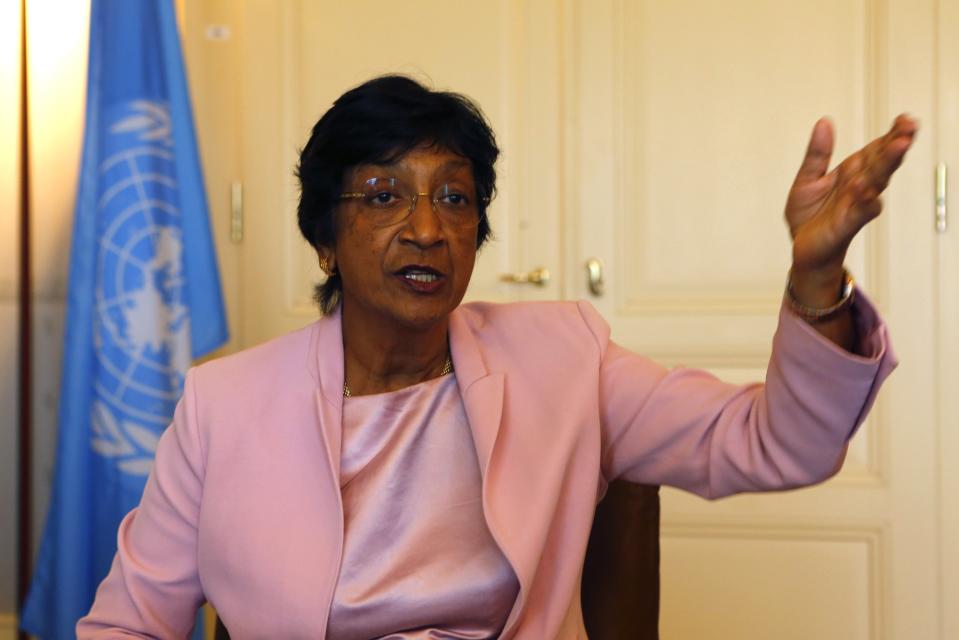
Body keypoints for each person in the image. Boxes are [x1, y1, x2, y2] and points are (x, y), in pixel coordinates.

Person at [78, 75, 916, 639]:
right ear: (325, 240)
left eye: (453, 197)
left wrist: (815, 278)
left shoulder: (562, 357)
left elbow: (777, 444)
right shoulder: (223, 405)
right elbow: (127, 624)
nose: (427, 227)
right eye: (382, 196)